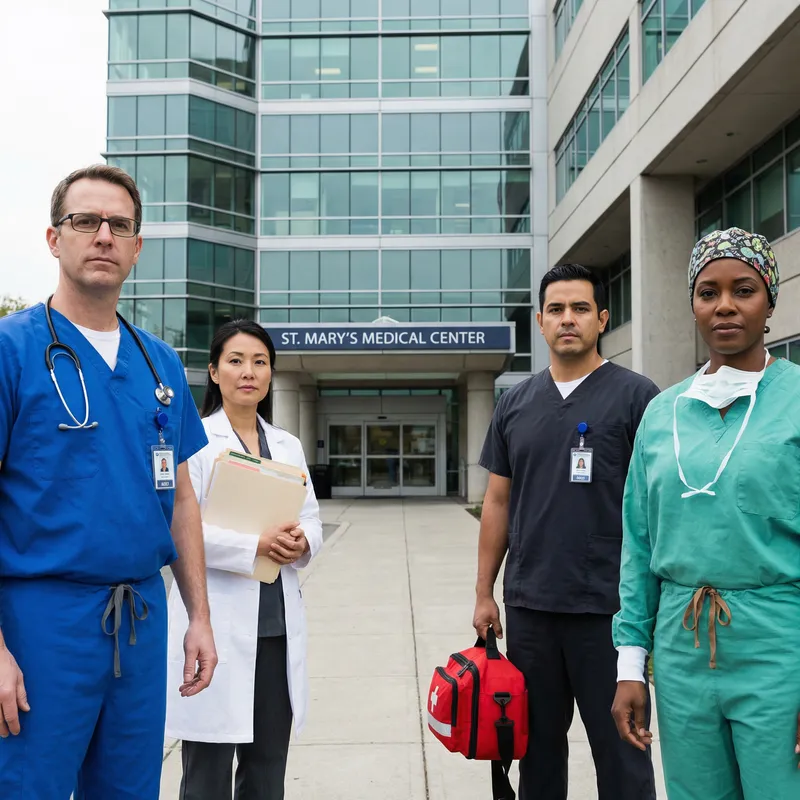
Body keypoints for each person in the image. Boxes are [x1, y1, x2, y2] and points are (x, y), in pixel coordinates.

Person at [0, 165, 217, 799]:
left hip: (141, 620)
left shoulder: (160, 362)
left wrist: (199, 617)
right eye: (85, 221)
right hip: (41, 621)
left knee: (130, 789)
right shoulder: (13, 351)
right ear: (52, 238)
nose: (103, 236)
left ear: (137, 246)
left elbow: (179, 499)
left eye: (119, 225)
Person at [611, 227, 800, 798]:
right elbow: (639, 546)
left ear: (770, 300)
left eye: (742, 289)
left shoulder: (795, 400)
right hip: (680, 644)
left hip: (778, 643)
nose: (724, 305)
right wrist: (629, 667)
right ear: (692, 304)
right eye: (707, 291)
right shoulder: (662, 413)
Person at [474, 264, 660, 799]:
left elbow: (655, 506)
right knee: (536, 758)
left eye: (580, 308)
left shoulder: (636, 397)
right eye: (556, 309)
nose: (568, 319)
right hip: (531, 610)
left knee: (624, 755)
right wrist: (484, 592)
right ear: (539, 321)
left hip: (610, 613)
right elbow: (498, 501)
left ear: (602, 319)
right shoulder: (514, 403)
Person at [165, 319, 323, 800]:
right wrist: (253, 545)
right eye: (235, 361)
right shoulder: (196, 442)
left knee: (267, 767)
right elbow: (181, 530)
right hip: (217, 626)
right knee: (207, 771)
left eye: (259, 362)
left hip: (275, 629)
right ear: (214, 372)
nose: (248, 372)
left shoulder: (288, 444)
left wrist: (302, 544)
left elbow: (311, 516)